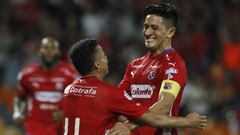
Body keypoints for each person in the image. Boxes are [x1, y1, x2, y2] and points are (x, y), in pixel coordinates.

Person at [62, 38, 207, 135]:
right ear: (97, 65)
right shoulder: (108, 93)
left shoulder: (69, 90)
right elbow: (153, 119)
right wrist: (187, 121)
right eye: (103, 55)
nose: (107, 58)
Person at [114, 3, 190, 135]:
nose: (148, 32)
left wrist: (130, 126)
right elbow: (118, 101)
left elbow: (165, 105)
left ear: (170, 32)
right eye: (146, 27)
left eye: (154, 28)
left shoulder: (174, 64)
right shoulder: (134, 65)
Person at [13, 37, 78, 135]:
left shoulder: (71, 75)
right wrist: (18, 112)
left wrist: (66, 113)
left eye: (53, 48)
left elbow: (79, 100)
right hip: (34, 128)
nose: (49, 52)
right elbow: (20, 97)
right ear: (40, 51)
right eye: (46, 48)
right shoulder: (27, 74)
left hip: (60, 129)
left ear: (58, 52)